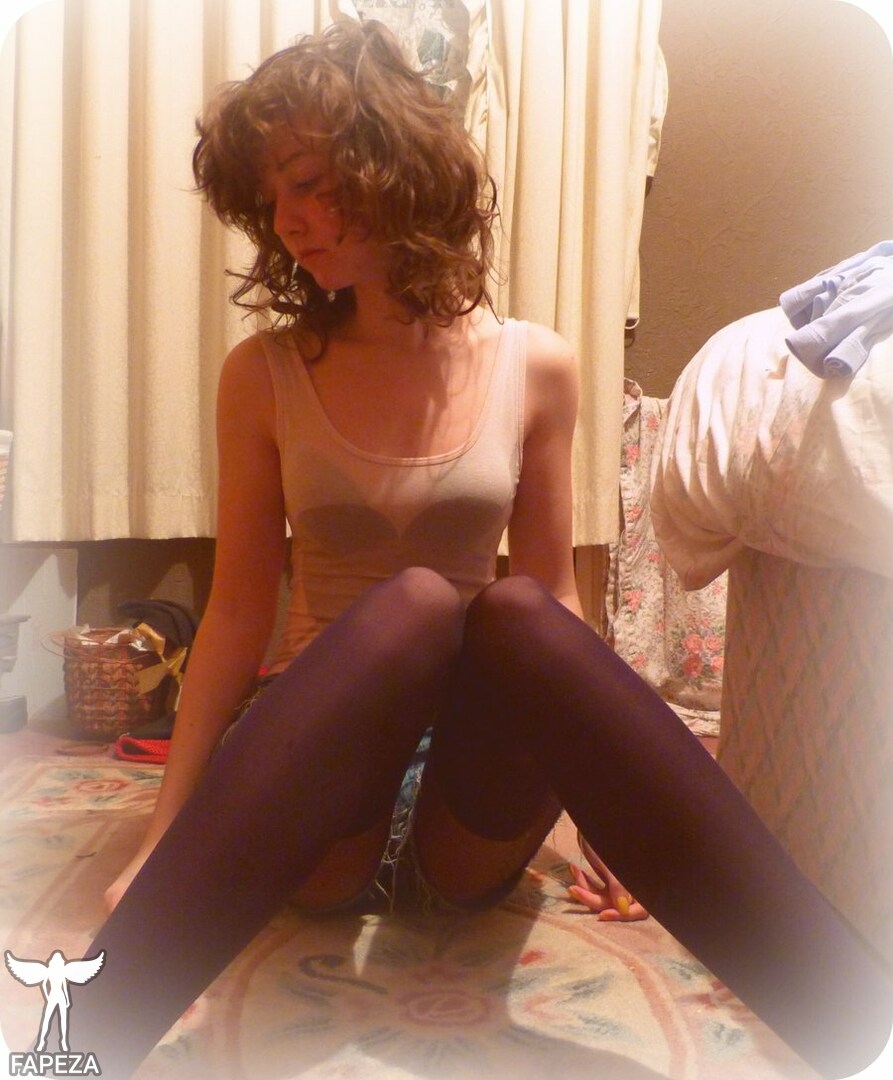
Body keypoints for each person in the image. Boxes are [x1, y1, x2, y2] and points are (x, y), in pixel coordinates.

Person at [77, 20, 891, 1079]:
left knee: (510, 613)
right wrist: (163, 836)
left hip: (470, 794)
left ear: (392, 167)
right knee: (419, 604)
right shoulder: (264, 374)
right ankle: (81, 1042)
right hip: (317, 782)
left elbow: (552, 603)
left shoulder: (534, 366)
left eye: (308, 183)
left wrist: (602, 815)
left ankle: (860, 1027)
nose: (285, 222)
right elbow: (236, 610)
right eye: (268, 200)